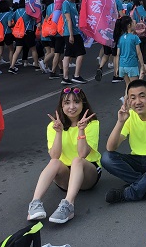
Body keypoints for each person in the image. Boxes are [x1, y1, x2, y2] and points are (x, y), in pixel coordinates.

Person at [27, 87, 101, 224]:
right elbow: (54, 156)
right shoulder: (53, 126)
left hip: (87, 174)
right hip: (65, 176)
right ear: (61, 106)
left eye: (76, 102)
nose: (72, 107)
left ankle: (68, 204)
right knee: (54, 162)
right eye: (67, 103)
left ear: (83, 104)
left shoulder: (92, 123)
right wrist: (59, 132)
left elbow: (82, 154)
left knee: (77, 160)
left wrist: (81, 130)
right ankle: (35, 203)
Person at [60, 0, 87, 85]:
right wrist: (71, 35)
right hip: (71, 33)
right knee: (79, 53)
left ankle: (66, 77)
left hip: (74, 32)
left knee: (68, 54)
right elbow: (68, 20)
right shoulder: (66, 3)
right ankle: (75, 76)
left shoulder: (73, 4)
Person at [114, 15, 145, 86]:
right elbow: (139, 53)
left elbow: (118, 54)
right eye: (133, 23)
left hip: (122, 65)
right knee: (134, 86)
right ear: (129, 25)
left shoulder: (120, 38)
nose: (135, 24)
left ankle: (126, 94)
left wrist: (117, 67)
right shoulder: (135, 38)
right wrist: (142, 65)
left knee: (128, 85)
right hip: (131, 65)